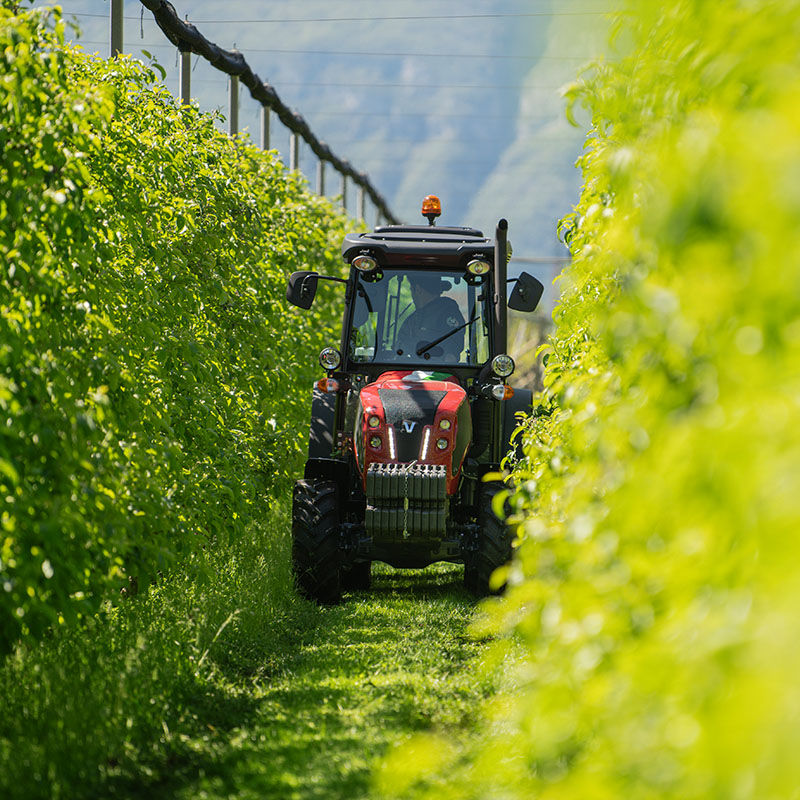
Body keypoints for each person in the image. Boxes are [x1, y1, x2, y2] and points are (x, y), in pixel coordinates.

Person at [396, 273, 465, 359]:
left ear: (417, 289)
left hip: (437, 371)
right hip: (411, 370)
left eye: (411, 290)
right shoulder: (412, 320)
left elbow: (451, 353)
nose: (412, 295)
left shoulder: (447, 312)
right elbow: (399, 350)